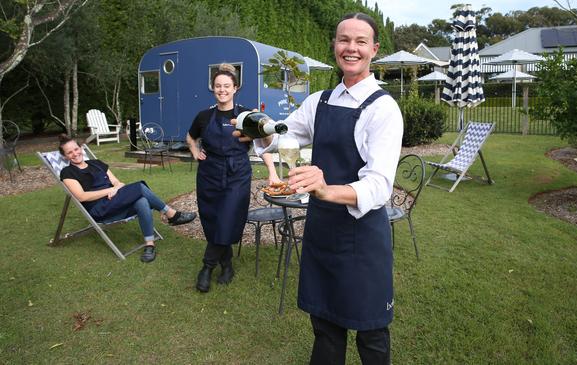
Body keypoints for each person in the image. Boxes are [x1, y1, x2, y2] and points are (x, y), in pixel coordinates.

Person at [237, 13, 403, 365]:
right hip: (323, 233)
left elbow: (379, 185)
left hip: (363, 240)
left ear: (374, 49)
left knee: (372, 334)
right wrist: (259, 130)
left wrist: (326, 189)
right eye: (344, 40)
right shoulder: (319, 101)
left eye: (360, 41)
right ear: (335, 46)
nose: (351, 48)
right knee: (325, 329)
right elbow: (285, 137)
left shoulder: (383, 109)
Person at [186, 63, 281, 293]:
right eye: (218, 86)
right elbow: (190, 137)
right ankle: (227, 264)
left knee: (228, 217)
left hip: (237, 173)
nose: (222, 90)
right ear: (213, 88)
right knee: (212, 219)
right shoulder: (204, 116)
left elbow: (262, 145)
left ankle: (207, 267)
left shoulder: (247, 116)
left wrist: (272, 172)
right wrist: (195, 151)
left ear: (235, 88)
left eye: (227, 86)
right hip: (209, 173)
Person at [58, 135, 197, 263]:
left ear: (81, 148)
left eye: (76, 149)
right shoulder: (68, 172)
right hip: (99, 209)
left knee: (141, 201)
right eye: (69, 152)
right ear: (65, 156)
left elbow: (118, 183)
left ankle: (149, 245)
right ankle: (171, 214)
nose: (75, 154)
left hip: (115, 202)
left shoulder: (96, 163)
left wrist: (116, 188)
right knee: (140, 188)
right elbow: (82, 196)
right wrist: (110, 190)